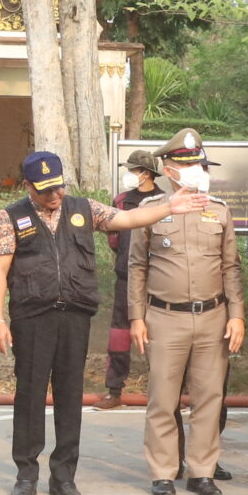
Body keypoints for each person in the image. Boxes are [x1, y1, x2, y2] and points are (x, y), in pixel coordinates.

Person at [0, 149, 198, 495]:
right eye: (45, 190)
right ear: (28, 186)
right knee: (30, 396)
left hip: (74, 316)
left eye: (58, 187)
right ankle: (26, 475)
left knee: (70, 396)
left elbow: (126, 219)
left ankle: (64, 477)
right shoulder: (10, 217)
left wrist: (169, 207)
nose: (54, 195)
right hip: (32, 318)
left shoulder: (83, 208)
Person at [124, 129, 245, 495]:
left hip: (213, 317)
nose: (194, 170)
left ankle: (202, 472)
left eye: (197, 163)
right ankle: (163, 472)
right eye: (185, 163)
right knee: (162, 398)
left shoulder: (219, 210)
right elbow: (137, 266)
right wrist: (136, 317)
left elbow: (231, 267)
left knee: (209, 398)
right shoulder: (150, 210)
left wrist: (237, 315)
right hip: (164, 317)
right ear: (168, 170)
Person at [103, 150, 163, 407]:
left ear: (145, 174)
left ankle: (170, 392)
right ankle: (114, 390)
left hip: (159, 281)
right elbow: (113, 240)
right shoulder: (120, 201)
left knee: (162, 336)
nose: (128, 174)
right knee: (119, 335)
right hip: (126, 279)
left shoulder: (164, 201)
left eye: (132, 170)